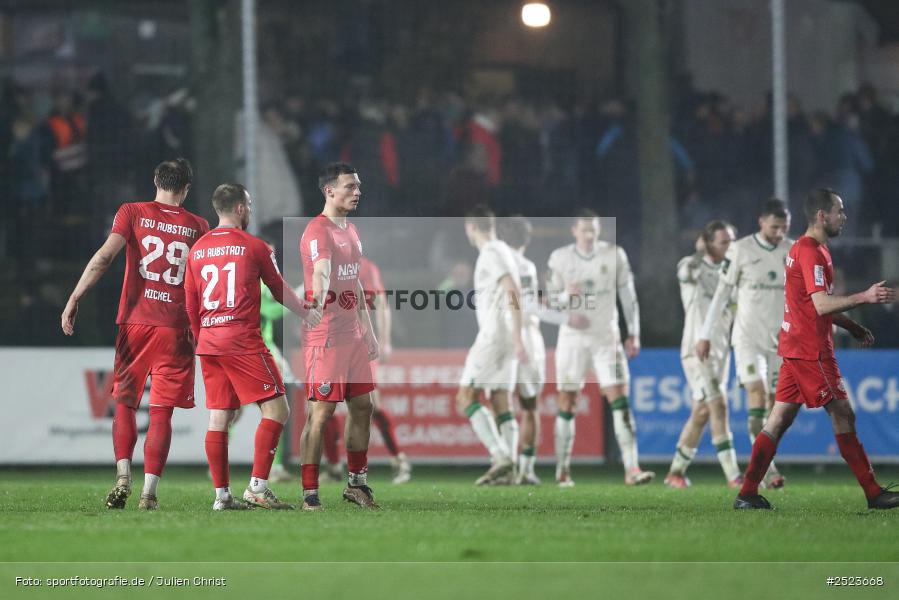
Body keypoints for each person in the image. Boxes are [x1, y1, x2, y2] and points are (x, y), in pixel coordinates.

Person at [734, 188, 899, 510]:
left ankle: (747, 493)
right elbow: (821, 305)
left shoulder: (806, 249)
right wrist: (863, 297)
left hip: (796, 345)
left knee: (778, 420)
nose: (845, 216)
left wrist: (849, 325)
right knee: (842, 413)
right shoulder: (810, 251)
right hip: (811, 350)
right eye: (840, 210)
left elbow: (809, 304)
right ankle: (873, 493)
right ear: (823, 215)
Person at [61, 158, 208, 510]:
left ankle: (123, 474)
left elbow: (103, 258)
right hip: (177, 329)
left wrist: (75, 296)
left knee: (125, 402)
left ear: (156, 180)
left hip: (135, 324)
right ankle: (149, 494)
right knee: (161, 412)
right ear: (186, 188)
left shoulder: (132, 212)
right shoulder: (199, 225)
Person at [184, 183, 320, 511]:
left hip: (209, 342)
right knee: (277, 410)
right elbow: (278, 289)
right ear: (241, 209)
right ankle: (257, 487)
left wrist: (202, 337)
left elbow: (190, 303)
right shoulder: (255, 246)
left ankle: (221, 497)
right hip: (242, 340)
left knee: (219, 417)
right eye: (250, 205)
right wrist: (307, 312)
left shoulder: (197, 250)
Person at [546, 210, 653, 486]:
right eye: (585, 231)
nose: (590, 235)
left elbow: (628, 296)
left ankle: (632, 468)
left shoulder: (614, 254)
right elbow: (547, 302)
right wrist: (564, 299)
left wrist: (634, 333)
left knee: (619, 399)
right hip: (573, 339)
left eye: (594, 230)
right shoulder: (560, 258)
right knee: (567, 401)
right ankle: (563, 470)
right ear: (574, 231)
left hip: (607, 337)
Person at [299, 162, 380, 510]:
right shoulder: (319, 232)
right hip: (326, 336)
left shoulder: (351, 230)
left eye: (358, 186)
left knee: (363, 406)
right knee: (321, 413)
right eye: (350, 186)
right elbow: (322, 270)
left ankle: (356, 485)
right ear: (329, 191)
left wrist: (370, 331)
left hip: (354, 336)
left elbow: (356, 280)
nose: (357, 192)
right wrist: (317, 295)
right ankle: (309, 493)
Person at [696, 199, 792, 489]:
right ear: (761, 222)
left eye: (784, 228)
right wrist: (705, 334)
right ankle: (767, 468)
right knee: (756, 392)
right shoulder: (740, 250)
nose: (778, 232)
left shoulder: (793, 250)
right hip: (748, 338)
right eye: (774, 227)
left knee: (774, 407)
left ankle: (763, 462)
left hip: (782, 341)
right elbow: (723, 292)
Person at [496, 215, 588, 485]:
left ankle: (504, 464)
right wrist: (566, 316)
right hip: (524, 334)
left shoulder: (494, 261)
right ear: (527, 238)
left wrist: (557, 298)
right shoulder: (524, 265)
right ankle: (525, 469)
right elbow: (528, 305)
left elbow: (528, 300)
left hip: (500, 336)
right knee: (529, 405)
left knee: (500, 402)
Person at [665, 221, 742, 488]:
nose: (730, 246)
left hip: (721, 351)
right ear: (708, 243)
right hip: (697, 349)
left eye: (733, 240)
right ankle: (734, 476)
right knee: (719, 405)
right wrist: (699, 252)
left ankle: (675, 472)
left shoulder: (732, 272)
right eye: (724, 242)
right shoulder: (692, 266)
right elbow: (684, 272)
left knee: (701, 412)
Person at [456, 205, 525, 485]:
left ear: (471, 228)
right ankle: (510, 469)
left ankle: (501, 456)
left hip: (495, 335)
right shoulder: (505, 250)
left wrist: (518, 336)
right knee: (500, 400)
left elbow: (512, 290)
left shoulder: (492, 252)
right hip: (506, 335)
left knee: (465, 398)